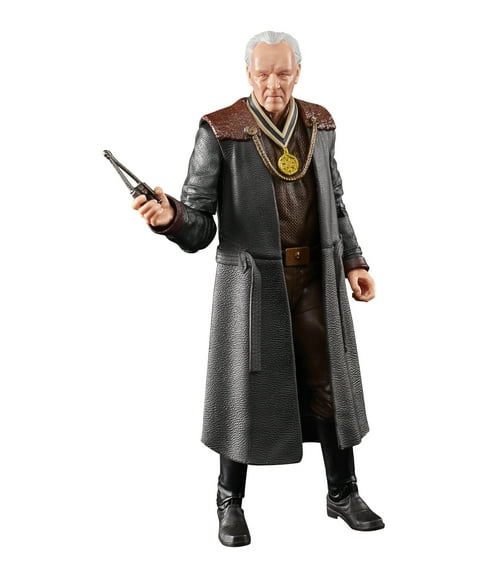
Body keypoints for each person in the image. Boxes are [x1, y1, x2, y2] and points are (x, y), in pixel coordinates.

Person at [132, 30, 384, 547]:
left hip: (316, 279)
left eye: (283, 72)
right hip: (253, 284)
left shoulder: (319, 123)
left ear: (298, 73)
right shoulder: (221, 129)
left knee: (329, 383)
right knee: (242, 391)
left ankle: (343, 492)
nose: (273, 83)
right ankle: (229, 501)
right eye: (263, 73)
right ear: (248, 73)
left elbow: (336, 201)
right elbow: (200, 226)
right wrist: (171, 218)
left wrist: (354, 261)